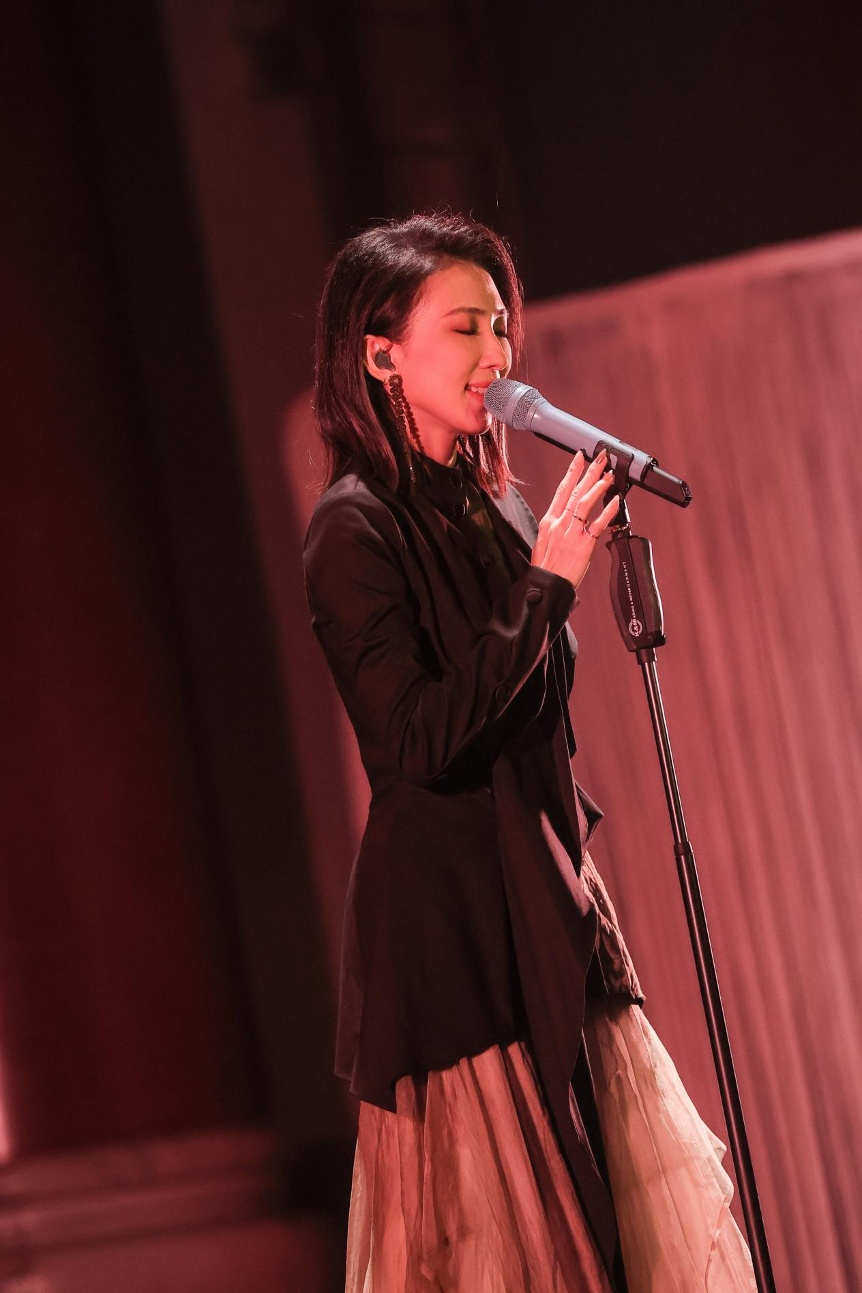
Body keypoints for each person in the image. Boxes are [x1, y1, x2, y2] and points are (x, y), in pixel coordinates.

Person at [303, 213, 755, 1292]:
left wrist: (541, 576)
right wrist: (544, 585)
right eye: (464, 327)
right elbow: (418, 741)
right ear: (382, 356)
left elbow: (534, 709)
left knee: (615, 1236)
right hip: (456, 926)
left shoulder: (491, 504)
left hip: (547, 887)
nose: (497, 353)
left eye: (501, 325)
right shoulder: (351, 530)